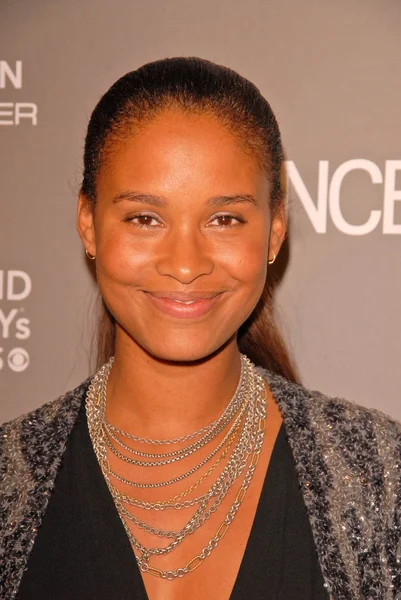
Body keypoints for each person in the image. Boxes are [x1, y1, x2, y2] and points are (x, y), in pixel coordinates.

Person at [0, 57, 400, 600]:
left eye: (224, 219)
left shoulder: (379, 474)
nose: (185, 264)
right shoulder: (9, 482)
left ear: (274, 232)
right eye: (145, 217)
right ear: (89, 225)